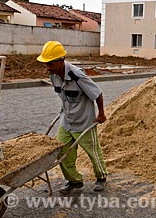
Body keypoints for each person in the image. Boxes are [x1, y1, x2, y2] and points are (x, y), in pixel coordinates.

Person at [37, 41, 108, 194]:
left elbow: (97, 93)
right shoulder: (53, 75)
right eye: (46, 64)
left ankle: (101, 177)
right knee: (62, 151)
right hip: (66, 121)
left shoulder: (77, 75)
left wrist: (101, 114)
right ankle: (74, 180)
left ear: (61, 60)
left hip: (83, 121)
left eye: (50, 63)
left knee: (92, 152)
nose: (47, 67)